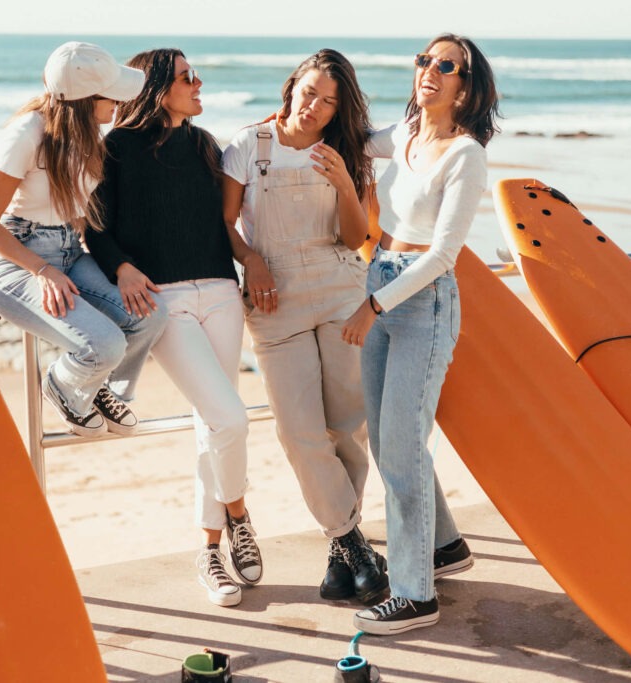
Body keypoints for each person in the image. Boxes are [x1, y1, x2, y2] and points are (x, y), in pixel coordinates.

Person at [85, 49, 263, 608]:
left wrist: (252, 262)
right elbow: (94, 227)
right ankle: (237, 510)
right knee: (229, 417)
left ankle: (209, 551)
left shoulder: (206, 145)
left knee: (214, 423)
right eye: (188, 77)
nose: (199, 82)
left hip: (221, 293)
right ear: (158, 87)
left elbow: (225, 219)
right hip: (163, 303)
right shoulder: (114, 149)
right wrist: (121, 266)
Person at [341, 33, 500, 635]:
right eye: (424, 60)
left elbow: (443, 256)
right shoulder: (403, 135)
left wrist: (373, 307)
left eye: (446, 65)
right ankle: (447, 546)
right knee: (387, 445)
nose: (429, 71)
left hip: (420, 302)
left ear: (466, 86)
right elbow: (347, 137)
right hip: (379, 279)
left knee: (403, 452)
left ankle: (414, 595)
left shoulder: (466, 156)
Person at [221, 49, 387, 604]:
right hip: (275, 300)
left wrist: (344, 185)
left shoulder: (343, 152)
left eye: (329, 102)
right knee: (299, 431)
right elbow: (224, 224)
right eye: (310, 92)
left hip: (341, 290)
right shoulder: (248, 146)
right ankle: (351, 540)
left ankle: (344, 554)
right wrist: (253, 260)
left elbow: (353, 237)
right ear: (292, 86)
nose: (315, 107)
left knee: (347, 426)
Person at [0, 42, 166, 438]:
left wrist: (119, 267)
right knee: (106, 344)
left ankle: (94, 390)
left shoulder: (88, 134)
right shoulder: (27, 133)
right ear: (86, 99)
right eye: (111, 94)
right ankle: (62, 385)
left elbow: (78, 215)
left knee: (150, 313)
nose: (119, 102)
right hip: (16, 262)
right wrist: (41, 270)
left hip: (69, 249)